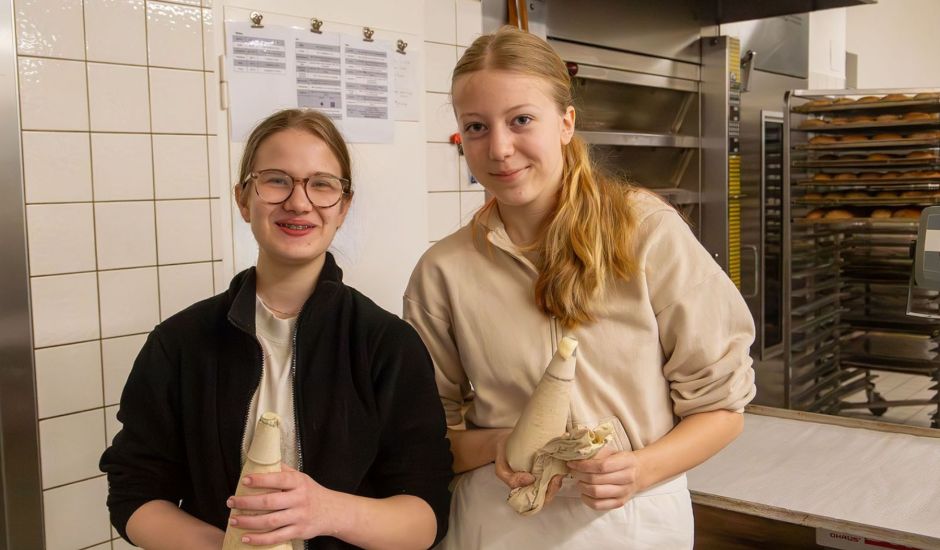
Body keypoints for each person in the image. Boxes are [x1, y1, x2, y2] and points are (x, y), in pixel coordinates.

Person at [403, 27, 755, 549]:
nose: (499, 149)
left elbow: (722, 411)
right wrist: (506, 443)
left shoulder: (647, 233)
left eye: (521, 120)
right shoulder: (443, 270)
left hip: (632, 519)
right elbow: (427, 435)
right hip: (499, 522)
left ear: (566, 123)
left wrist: (638, 469)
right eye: (476, 127)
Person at [101, 109, 453, 550]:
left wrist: (328, 511)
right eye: (276, 180)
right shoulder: (179, 344)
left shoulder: (387, 345)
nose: (299, 202)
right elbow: (135, 490)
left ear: (343, 207)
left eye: (322, 184)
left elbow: (427, 515)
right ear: (243, 200)